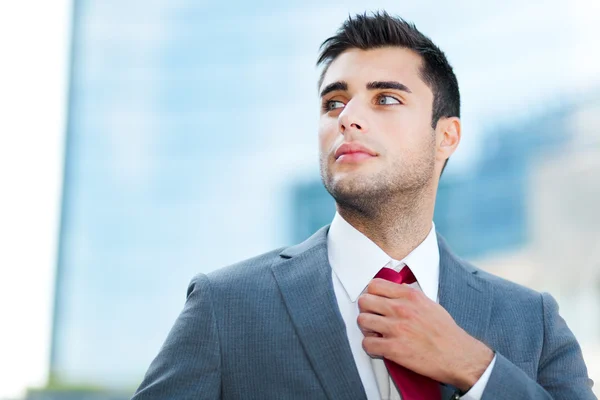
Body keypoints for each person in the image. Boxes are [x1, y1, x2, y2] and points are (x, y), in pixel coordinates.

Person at [131, 11, 595, 400]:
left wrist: (475, 368)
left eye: (386, 98)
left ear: (446, 136)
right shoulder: (225, 307)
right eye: (333, 103)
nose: (348, 117)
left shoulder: (530, 319)